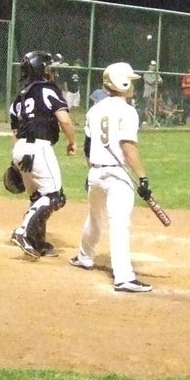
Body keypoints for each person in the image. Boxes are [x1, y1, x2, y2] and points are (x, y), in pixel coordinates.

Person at [70, 62, 154, 293]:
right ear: (122, 83)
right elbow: (128, 147)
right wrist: (143, 178)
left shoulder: (94, 109)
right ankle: (124, 277)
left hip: (95, 172)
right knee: (119, 223)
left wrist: (90, 171)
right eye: (130, 81)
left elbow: (88, 147)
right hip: (118, 175)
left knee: (94, 217)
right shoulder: (127, 111)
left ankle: (84, 257)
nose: (133, 86)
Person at [8, 50, 77, 260]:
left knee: (37, 196)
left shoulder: (20, 96)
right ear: (39, 69)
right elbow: (64, 120)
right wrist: (72, 141)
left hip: (21, 149)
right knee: (55, 197)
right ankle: (23, 232)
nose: (50, 71)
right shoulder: (47, 90)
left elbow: (15, 131)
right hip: (39, 148)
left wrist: (15, 161)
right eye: (47, 67)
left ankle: (38, 243)